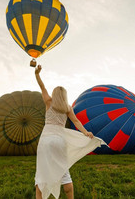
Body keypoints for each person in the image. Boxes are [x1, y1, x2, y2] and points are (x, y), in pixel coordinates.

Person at [34, 65, 105, 199]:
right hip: (60, 141)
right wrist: (86, 133)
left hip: (46, 140)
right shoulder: (67, 108)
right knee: (64, 173)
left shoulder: (48, 102)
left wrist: (37, 74)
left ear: (54, 94)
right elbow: (77, 122)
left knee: (41, 175)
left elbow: (42, 87)